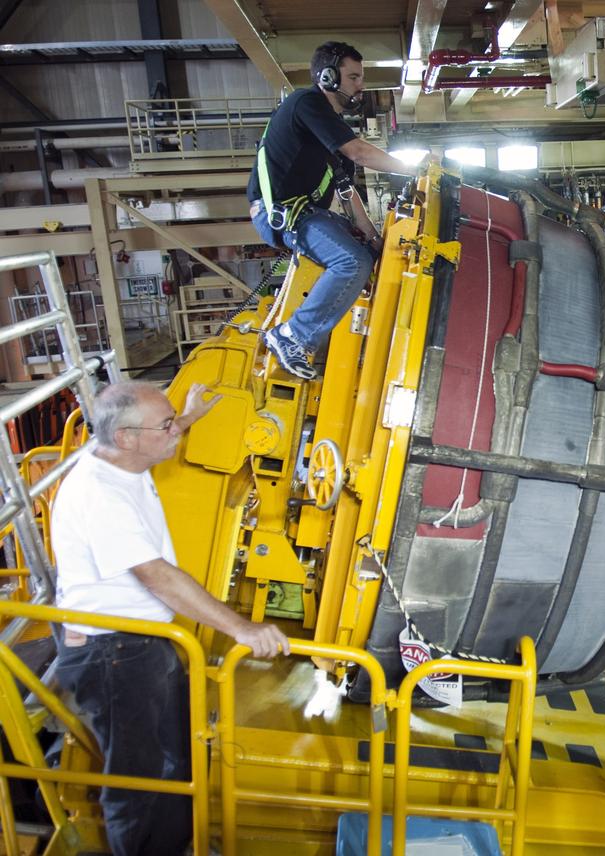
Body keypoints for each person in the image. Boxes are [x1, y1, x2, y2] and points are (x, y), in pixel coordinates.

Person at [53, 381, 290, 856]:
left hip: (142, 643)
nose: (174, 432)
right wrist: (242, 628)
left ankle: (178, 844)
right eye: (166, 426)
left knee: (179, 757)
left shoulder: (123, 452)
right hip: (112, 654)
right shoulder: (100, 495)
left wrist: (189, 416)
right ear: (125, 437)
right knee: (137, 781)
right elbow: (157, 576)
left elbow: (159, 430)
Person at [248, 40, 419, 380]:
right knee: (351, 262)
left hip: (307, 213)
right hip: (284, 215)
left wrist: (376, 239)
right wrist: (416, 170)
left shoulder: (329, 131)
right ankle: (292, 336)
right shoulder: (306, 103)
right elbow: (360, 153)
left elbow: (346, 190)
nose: (360, 85)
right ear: (327, 77)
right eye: (353, 77)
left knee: (367, 253)